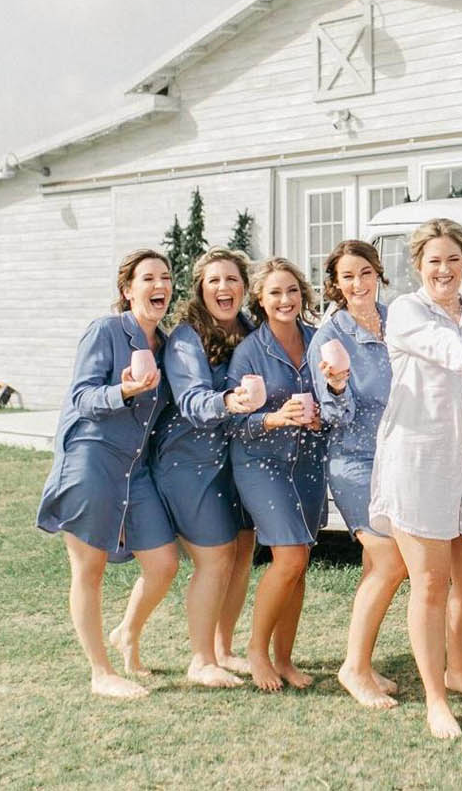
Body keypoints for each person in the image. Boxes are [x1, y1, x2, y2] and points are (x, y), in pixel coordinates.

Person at [368, 218, 462, 740]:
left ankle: (460, 672)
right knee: (430, 583)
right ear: (418, 266)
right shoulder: (406, 312)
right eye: (434, 261)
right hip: (420, 461)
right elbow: (445, 350)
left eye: (454, 259)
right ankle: (435, 696)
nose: (444, 270)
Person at [36, 249, 180, 699]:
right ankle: (101, 672)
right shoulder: (105, 330)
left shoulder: (168, 344)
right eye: (148, 278)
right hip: (91, 459)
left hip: (135, 469)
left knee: (163, 564)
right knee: (89, 570)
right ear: (127, 290)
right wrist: (123, 390)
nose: (160, 285)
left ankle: (127, 633)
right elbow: (80, 398)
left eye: (166, 277)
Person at [142, 247, 264, 688]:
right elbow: (193, 402)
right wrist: (230, 401)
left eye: (231, 279)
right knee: (214, 560)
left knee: (242, 553)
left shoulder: (252, 329)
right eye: (213, 281)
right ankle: (200, 659)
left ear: (244, 286)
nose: (223, 288)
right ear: (200, 289)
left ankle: (223, 649)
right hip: (188, 462)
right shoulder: (186, 339)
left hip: (236, 460)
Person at [308, 240, 407, 710]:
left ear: (377, 273)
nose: (358, 284)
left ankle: (363, 662)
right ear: (336, 284)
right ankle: (352, 667)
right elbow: (332, 415)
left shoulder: (399, 320)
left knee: (376, 565)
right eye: (347, 277)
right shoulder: (330, 337)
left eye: (364, 273)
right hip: (354, 462)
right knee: (392, 562)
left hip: (400, 458)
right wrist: (337, 386)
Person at [225, 257, 328, 692]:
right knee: (288, 557)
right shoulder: (249, 351)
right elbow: (233, 421)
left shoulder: (320, 340)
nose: (285, 300)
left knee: (299, 564)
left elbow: (340, 396)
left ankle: (285, 659)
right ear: (260, 300)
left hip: (308, 463)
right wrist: (274, 418)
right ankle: (256, 651)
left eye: (291, 291)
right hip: (261, 463)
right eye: (274, 293)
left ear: (302, 294)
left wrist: (325, 415)